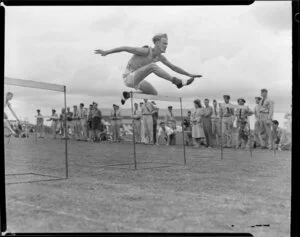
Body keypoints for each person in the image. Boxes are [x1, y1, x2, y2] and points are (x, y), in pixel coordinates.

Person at [94, 33, 202, 105]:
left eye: (167, 44)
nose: (166, 46)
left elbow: (173, 67)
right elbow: (125, 48)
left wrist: (189, 75)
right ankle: (177, 82)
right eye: (164, 43)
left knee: (154, 94)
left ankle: (128, 95)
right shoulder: (145, 51)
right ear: (157, 43)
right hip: (128, 77)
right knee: (152, 67)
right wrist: (106, 52)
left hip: (138, 80)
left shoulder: (160, 57)